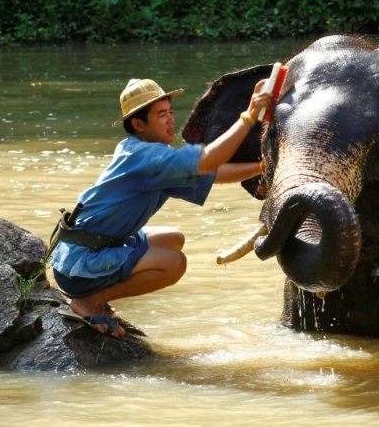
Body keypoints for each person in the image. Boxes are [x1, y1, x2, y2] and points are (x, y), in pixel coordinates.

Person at [50, 77, 272, 337]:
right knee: (173, 263)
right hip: (79, 263)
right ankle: (88, 301)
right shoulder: (145, 156)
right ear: (138, 124)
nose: (171, 120)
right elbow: (211, 158)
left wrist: (262, 168)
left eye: (170, 112)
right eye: (161, 115)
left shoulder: (146, 152)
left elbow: (213, 172)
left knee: (173, 238)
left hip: (82, 249)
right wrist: (249, 115)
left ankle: (96, 293)